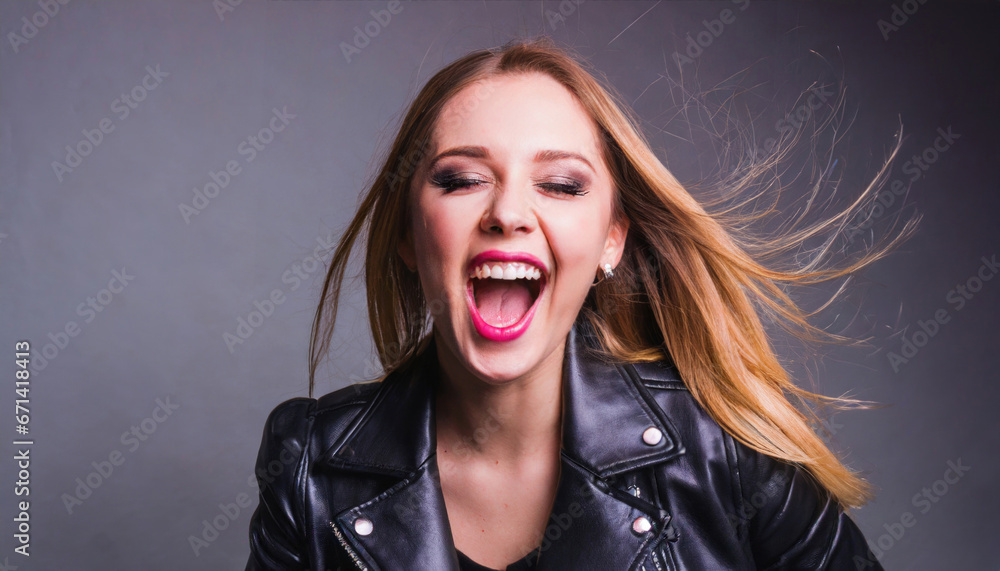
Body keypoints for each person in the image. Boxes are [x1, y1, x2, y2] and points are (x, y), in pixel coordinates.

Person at [246, 37, 904, 570]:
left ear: (611, 239)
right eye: (462, 179)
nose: (508, 212)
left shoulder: (724, 452)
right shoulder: (310, 467)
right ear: (408, 237)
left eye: (560, 184)